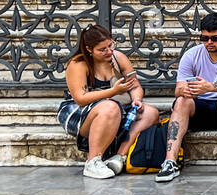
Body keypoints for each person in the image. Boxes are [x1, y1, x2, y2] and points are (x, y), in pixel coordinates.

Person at [156, 12, 217, 183]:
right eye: (204, 38)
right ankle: (169, 161)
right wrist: (186, 91)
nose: (209, 43)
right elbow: (177, 89)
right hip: (199, 109)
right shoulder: (192, 54)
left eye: (215, 38)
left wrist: (209, 87)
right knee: (181, 100)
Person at [58, 24, 159, 179]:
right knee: (110, 107)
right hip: (79, 113)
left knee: (150, 112)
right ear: (89, 49)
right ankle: (93, 162)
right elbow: (80, 99)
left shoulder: (118, 58)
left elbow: (135, 86)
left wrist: (137, 99)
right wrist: (113, 92)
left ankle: (119, 157)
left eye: (111, 45)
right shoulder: (78, 64)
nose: (109, 51)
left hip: (115, 109)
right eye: (102, 49)